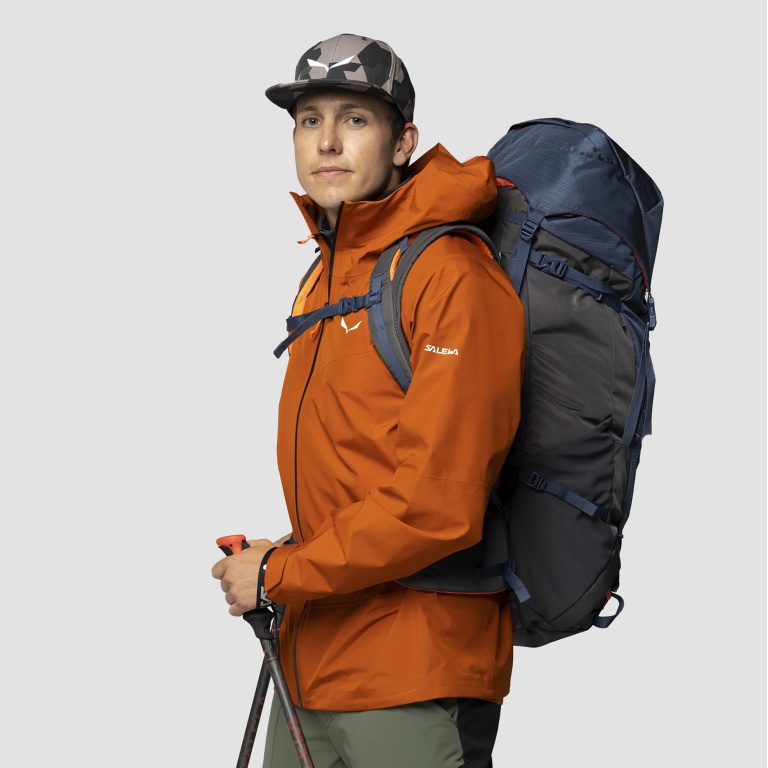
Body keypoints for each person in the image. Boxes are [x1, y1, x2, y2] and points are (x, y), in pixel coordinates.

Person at [212, 33, 525, 768]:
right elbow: (362, 471)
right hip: (312, 658)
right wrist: (283, 555)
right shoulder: (331, 274)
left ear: (403, 141)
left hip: (411, 670)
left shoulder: (451, 275)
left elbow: (436, 502)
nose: (326, 141)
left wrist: (279, 574)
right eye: (309, 119)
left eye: (354, 119)